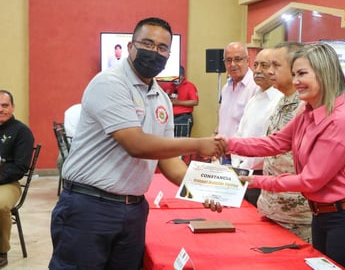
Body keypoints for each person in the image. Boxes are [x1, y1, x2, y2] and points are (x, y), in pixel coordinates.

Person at [49, 17, 225, 270]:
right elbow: (136, 144)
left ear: (169, 54)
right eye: (147, 43)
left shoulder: (161, 98)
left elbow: (168, 161)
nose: (155, 52)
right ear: (131, 46)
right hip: (90, 206)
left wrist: (203, 190)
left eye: (162, 48)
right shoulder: (110, 83)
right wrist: (198, 144)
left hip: (133, 210)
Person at [212, 43, 345, 270]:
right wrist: (227, 144)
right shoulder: (306, 111)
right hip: (321, 215)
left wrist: (253, 180)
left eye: (302, 74)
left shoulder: (341, 121)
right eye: (294, 74)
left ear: (324, 73)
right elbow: (276, 142)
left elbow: (311, 179)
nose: (296, 81)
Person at [256, 42, 312, 242]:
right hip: (273, 207)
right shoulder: (282, 100)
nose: (269, 71)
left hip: (296, 214)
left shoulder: (307, 105)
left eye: (275, 66)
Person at [231, 48, 283, 207]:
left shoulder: (280, 101)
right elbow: (241, 134)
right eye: (256, 65)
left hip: (261, 177)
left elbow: (271, 144)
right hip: (242, 173)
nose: (258, 71)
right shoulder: (255, 98)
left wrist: (243, 168)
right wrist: (236, 166)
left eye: (264, 66)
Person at [0, 90, 34, 269]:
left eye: (5, 105)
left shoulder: (22, 132)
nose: (1, 109)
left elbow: (20, 168)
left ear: (12, 107)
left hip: (8, 183)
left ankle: (1, 250)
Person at [217, 42, 259, 164]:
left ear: (248, 60)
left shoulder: (255, 87)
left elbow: (255, 128)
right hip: (224, 155)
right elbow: (225, 119)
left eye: (238, 59)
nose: (233, 64)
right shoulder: (226, 88)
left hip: (242, 158)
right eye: (228, 60)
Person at [161, 66, 199, 137]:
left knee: (181, 142)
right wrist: (166, 96)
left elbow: (195, 102)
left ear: (182, 76)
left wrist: (177, 102)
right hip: (168, 117)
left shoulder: (189, 86)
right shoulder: (167, 85)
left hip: (183, 117)